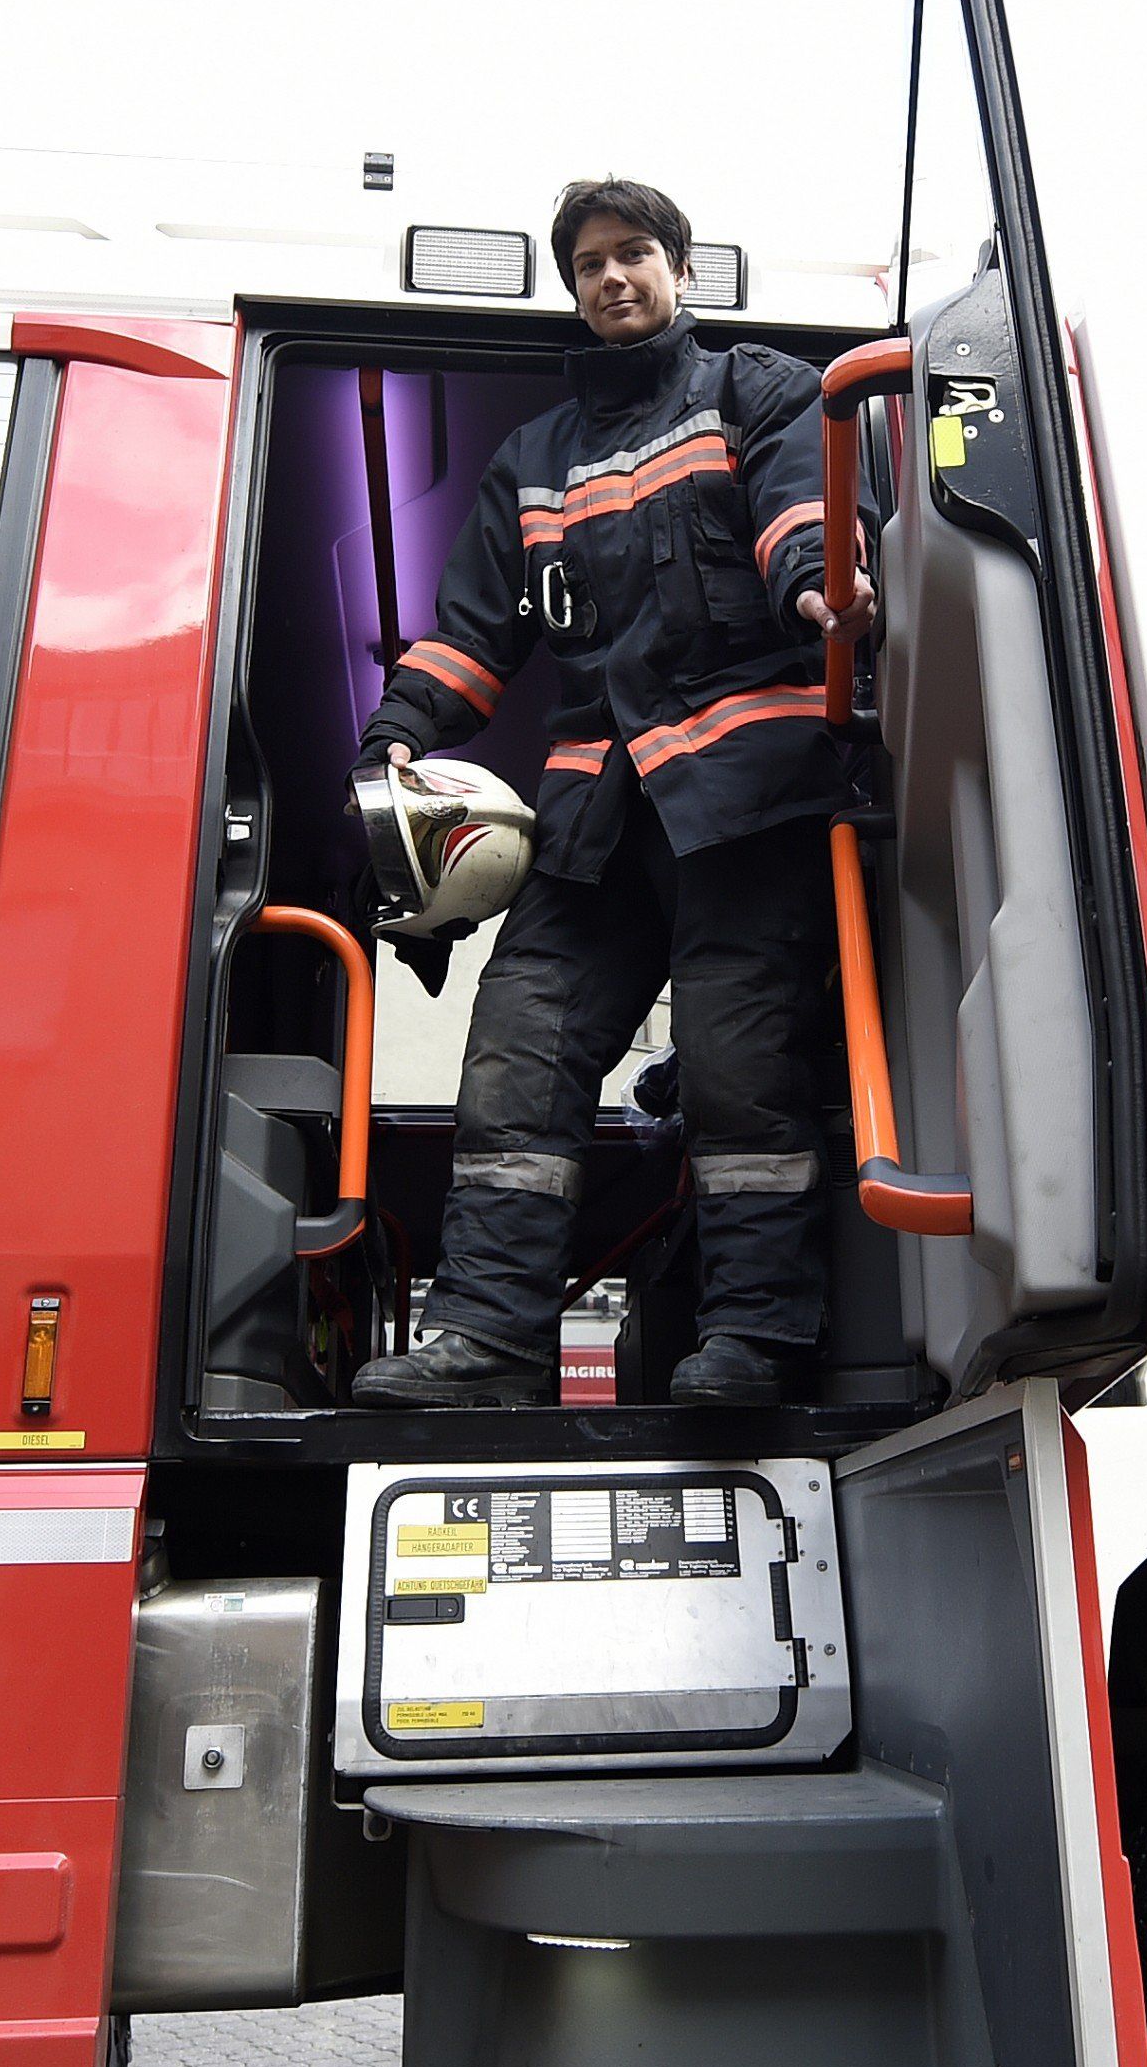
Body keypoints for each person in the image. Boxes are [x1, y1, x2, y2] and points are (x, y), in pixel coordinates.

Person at [349, 177, 874, 1409]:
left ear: (678, 268)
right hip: (595, 812)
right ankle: (487, 1340)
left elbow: (802, 515)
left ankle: (751, 1341)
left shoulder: (756, 391)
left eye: (631, 253)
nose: (610, 278)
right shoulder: (532, 459)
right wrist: (394, 736)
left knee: (743, 1070)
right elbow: (470, 636)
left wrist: (816, 586)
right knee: (517, 1056)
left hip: (745, 797)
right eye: (586, 264)